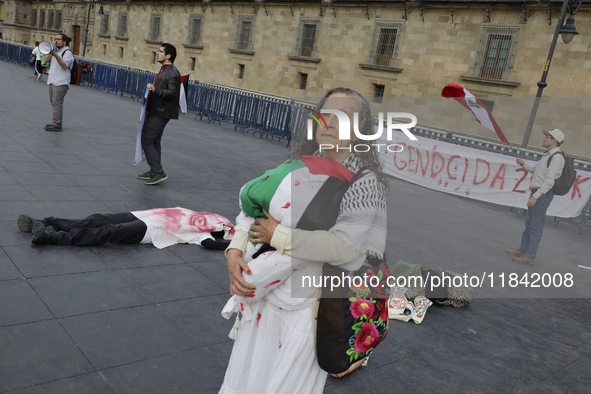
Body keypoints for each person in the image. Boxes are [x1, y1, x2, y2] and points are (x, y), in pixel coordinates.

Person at [219, 88, 389, 393]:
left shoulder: (366, 183)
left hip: (308, 313)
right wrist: (235, 248)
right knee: (245, 379)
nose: (330, 122)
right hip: (264, 299)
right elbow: (253, 210)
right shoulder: (300, 164)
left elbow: (346, 248)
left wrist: (278, 235)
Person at [17, 208, 233, 250]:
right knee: (96, 219)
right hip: (141, 215)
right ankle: (47, 221)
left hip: (149, 231)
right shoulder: (193, 213)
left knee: (107, 232)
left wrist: (238, 242)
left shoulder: (202, 233)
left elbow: (210, 244)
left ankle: (53, 237)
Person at [506, 128, 565, 265]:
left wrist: (536, 196)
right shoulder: (548, 156)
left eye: (547, 137)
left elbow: (550, 181)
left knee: (535, 226)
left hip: (542, 195)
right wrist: (523, 164)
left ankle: (530, 255)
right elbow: (535, 169)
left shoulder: (556, 158)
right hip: (538, 194)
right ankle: (523, 250)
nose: (544, 139)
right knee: (530, 224)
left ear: (554, 140)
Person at [136, 43, 181, 185]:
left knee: (147, 140)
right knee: (154, 141)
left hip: (161, 112)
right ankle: (154, 170)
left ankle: (158, 171)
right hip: (156, 109)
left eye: (160, 51)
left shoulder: (172, 72)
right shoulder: (165, 70)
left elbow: (173, 94)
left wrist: (155, 90)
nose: (157, 53)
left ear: (168, 56)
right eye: (158, 51)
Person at [43, 33, 75, 132]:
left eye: (58, 39)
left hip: (61, 82)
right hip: (53, 80)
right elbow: (45, 60)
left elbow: (65, 65)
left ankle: (57, 124)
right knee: (53, 102)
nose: (56, 41)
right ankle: (55, 122)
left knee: (57, 103)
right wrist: (49, 51)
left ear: (64, 42)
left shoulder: (67, 52)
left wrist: (56, 55)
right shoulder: (56, 51)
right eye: (55, 39)